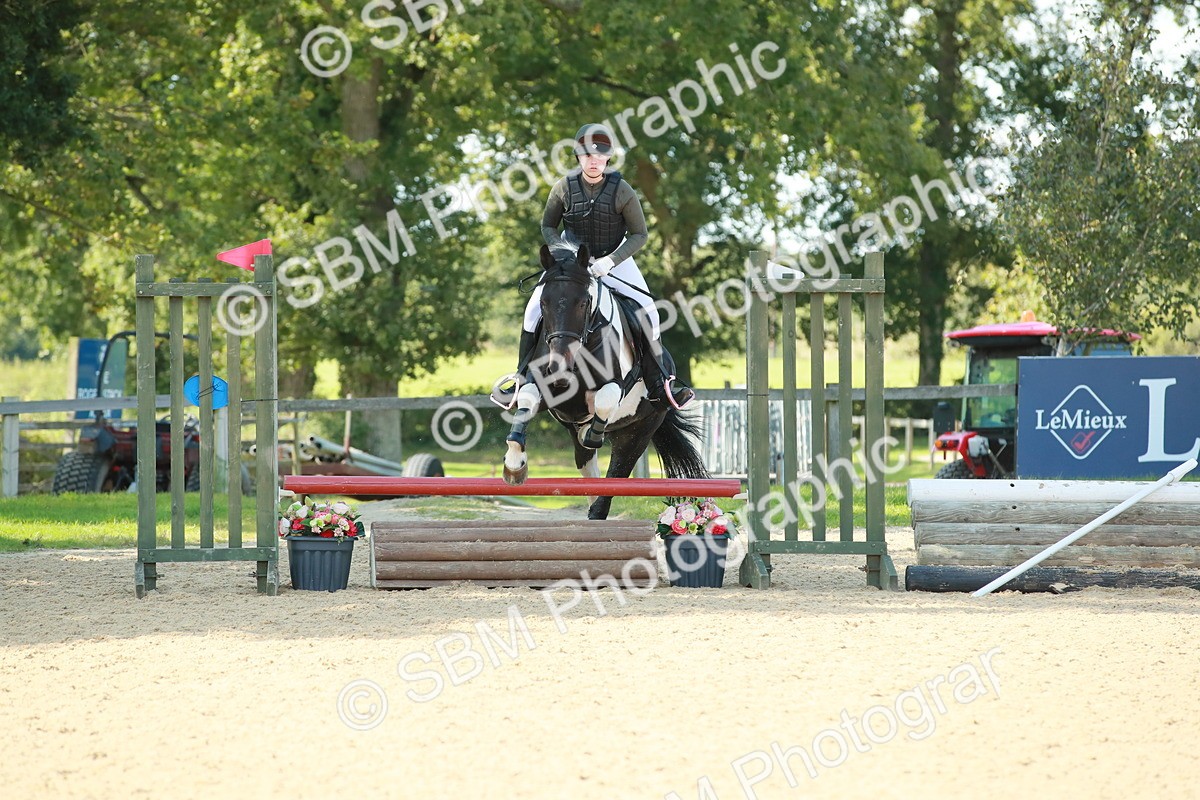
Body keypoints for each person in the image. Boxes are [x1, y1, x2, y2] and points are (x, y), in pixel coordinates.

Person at [492, 123, 695, 411]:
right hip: (571, 261)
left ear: (608, 158)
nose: (594, 161)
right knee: (534, 309)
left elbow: (641, 235)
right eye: (588, 156)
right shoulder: (563, 187)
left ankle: (660, 383)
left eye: (600, 156)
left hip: (613, 259)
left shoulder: (622, 191)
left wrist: (610, 262)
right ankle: (521, 378)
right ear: (579, 157)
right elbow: (548, 225)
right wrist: (563, 251)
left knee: (647, 309)